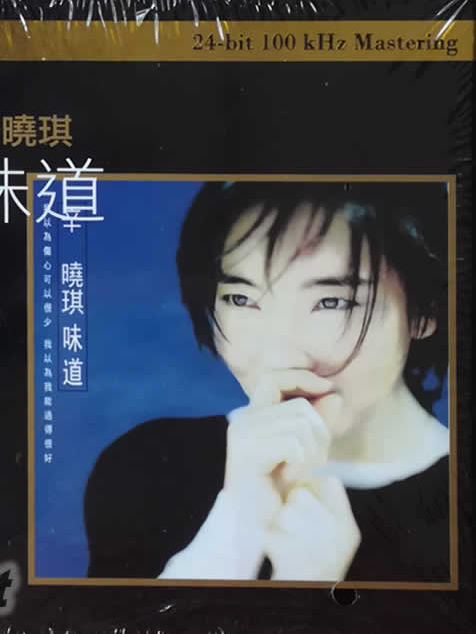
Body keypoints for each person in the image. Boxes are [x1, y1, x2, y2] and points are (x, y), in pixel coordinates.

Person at [83, 181, 450, 582]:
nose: (279, 358)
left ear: (424, 311)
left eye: (332, 302)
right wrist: (231, 535)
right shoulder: (147, 468)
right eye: (241, 299)